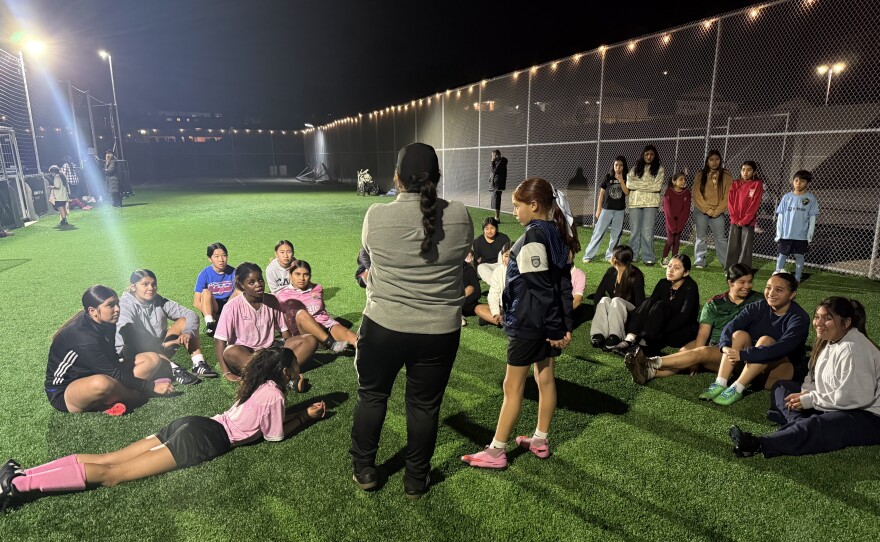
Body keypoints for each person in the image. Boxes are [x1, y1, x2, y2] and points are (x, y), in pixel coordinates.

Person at [2, 347, 327, 511]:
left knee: (108, 458)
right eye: (295, 369)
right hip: (204, 439)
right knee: (113, 474)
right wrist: (307, 416)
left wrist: (297, 408)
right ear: (285, 371)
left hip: (193, 423)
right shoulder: (274, 394)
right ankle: (18, 487)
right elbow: (275, 436)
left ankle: (21, 474)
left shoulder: (259, 384)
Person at [351, 142, 473, 500]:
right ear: (437, 177)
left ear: (396, 178)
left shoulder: (376, 214)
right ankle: (415, 480)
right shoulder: (461, 214)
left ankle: (365, 469)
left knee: (373, 396)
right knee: (424, 407)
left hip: (384, 327)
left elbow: (368, 261)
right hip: (439, 332)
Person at [461, 177, 578, 470]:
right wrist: (564, 325)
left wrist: (555, 329)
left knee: (512, 386)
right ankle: (539, 439)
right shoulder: (556, 233)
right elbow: (563, 285)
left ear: (534, 205)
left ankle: (496, 451)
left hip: (530, 324)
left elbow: (540, 290)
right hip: (544, 324)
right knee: (545, 379)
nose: (514, 212)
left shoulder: (535, 237)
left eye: (517, 206)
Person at [729, 297, 880, 458]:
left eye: (827, 318)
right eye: (817, 317)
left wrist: (810, 400)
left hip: (867, 415)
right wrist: (805, 393)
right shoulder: (829, 340)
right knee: (782, 387)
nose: (819, 323)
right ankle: (800, 426)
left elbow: (854, 398)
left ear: (847, 322)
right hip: (833, 403)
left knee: (819, 425)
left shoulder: (853, 349)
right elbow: (813, 376)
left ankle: (758, 444)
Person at [45, 286, 177, 416]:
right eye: (111, 305)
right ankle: (134, 397)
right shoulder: (82, 336)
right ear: (92, 311)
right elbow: (113, 373)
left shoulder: (109, 322)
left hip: (102, 373)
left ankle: (110, 400)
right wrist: (151, 386)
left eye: (117, 303)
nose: (118, 309)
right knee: (101, 383)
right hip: (66, 392)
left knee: (151, 359)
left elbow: (113, 362)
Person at [625, 264, 763, 384]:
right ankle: (649, 374)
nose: (747, 286)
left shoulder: (759, 300)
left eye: (750, 282)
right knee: (685, 353)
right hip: (713, 343)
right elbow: (703, 334)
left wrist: (697, 357)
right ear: (730, 282)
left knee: (701, 352)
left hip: (735, 350)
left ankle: (649, 361)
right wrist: (694, 360)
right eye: (742, 282)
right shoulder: (714, 303)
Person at [699, 272, 809, 406]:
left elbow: (781, 348)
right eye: (768, 287)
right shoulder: (758, 306)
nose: (771, 293)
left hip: (782, 369)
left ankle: (737, 388)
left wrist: (743, 354)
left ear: (792, 295)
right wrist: (725, 346)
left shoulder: (799, 318)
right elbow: (731, 326)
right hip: (753, 363)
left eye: (778, 290)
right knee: (739, 334)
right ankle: (720, 382)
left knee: (766, 341)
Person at [214, 262, 318, 383]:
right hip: (247, 355)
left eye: (260, 280)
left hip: (270, 351)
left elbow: (285, 333)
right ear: (242, 285)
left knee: (310, 340)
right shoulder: (231, 306)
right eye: (251, 282)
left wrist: (289, 355)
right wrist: (226, 372)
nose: (258, 285)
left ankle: (273, 376)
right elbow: (219, 340)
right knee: (230, 352)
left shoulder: (272, 300)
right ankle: (284, 375)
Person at [115, 269, 217, 385]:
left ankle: (198, 363)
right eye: (145, 284)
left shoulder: (158, 299)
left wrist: (188, 332)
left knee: (184, 321)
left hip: (159, 346)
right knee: (137, 335)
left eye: (154, 284)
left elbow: (191, 315)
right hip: (134, 353)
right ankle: (173, 369)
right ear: (133, 287)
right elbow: (130, 334)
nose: (151, 288)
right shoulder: (125, 305)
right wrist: (160, 345)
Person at [610, 254, 700, 356]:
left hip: (678, 329)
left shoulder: (690, 287)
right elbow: (649, 306)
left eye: (677, 268)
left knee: (660, 305)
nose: (670, 270)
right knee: (649, 301)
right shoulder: (663, 283)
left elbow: (684, 316)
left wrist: (660, 329)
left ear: (686, 273)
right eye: (669, 266)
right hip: (657, 326)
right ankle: (630, 339)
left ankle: (645, 345)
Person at [277, 259, 358, 345]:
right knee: (302, 314)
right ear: (290, 275)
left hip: (326, 325)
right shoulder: (282, 295)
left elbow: (322, 310)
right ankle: (330, 343)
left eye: (306, 275)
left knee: (352, 336)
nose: (302, 278)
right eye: (297, 274)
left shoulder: (317, 288)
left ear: (310, 276)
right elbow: (279, 320)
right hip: (305, 334)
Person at [589, 245, 645, 350]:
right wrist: (598, 315)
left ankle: (615, 336)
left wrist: (634, 327)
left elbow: (640, 304)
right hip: (614, 311)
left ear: (615, 259)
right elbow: (598, 294)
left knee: (616, 300)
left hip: (630, 313)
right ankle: (599, 334)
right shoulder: (611, 272)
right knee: (604, 299)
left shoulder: (636, 275)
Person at [582, 156, 630, 263]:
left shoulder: (626, 177)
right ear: (613, 166)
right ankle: (588, 255)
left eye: (621, 165)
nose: (618, 167)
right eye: (616, 165)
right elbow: (601, 194)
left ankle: (610, 256)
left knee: (616, 234)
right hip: (606, 209)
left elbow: (627, 192)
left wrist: (621, 180)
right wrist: (598, 209)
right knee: (598, 232)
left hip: (619, 211)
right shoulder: (608, 177)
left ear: (624, 166)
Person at [775, 170, 819, 282]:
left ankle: (797, 277)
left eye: (802, 181)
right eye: (796, 180)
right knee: (782, 255)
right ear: (793, 181)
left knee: (799, 256)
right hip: (786, 234)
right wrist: (779, 233)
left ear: (808, 183)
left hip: (801, 236)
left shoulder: (811, 199)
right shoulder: (787, 197)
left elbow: (813, 218)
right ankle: (777, 273)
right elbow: (780, 216)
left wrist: (810, 234)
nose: (798, 183)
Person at [691, 150, 732, 269]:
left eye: (717, 159)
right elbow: (696, 194)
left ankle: (726, 263)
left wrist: (718, 210)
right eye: (711, 159)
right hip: (701, 211)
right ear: (707, 161)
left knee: (720, 238)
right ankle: (699, 260)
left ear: (720, 160)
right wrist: (707, 210)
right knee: (701, 236)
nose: (714, 162)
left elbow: (728, 195)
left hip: (718, 212)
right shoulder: (700, 174)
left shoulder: (726, 175)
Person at [626, 145, 665, 265]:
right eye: (647, 154)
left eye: (652, 154)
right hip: (635, 203)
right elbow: (629, 184)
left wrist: (638, 185)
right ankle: (632, 256)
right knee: (634, 231)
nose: (649, 156)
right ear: (643, 155)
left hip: (651, 203)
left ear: (655, 156)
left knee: (647, 231)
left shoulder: (659, 169)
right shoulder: (635, 169)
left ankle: (648, 257)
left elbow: (657, 187)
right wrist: (648, 186)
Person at [726, 161, 763, 270]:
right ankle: (730, 268)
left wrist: (745, 220)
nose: (745, 172)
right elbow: (730, 202)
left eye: (749, 170)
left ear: (754, 172)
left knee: (745, 247)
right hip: (735, 220)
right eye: (743, 170)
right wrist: (735, 218)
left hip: (748, 221)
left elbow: (754, 204)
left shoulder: (757, 184)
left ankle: (743, 269)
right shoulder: (735, 183)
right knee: (733, 245)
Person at [194, 242, 236, 336]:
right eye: (216, 256)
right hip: (213, 307)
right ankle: (210, 324)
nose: (221, 260)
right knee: (206, 292)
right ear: (210, 259)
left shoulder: (234, 272)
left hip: (229, 305)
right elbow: (196, 302)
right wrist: (212, 315)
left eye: (224, 255)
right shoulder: (204, 274)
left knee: (240, 290)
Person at [475, 242, 511, 327]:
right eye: (506, 256)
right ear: (502, 257)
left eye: (512, 255)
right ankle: (504, 322)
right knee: (479, 309)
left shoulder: (524, 270)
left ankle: (502, 322)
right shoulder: (498, 271)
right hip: (504, 308)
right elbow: (493, 294)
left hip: (521, 309)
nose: (509, 259)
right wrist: (495, 313)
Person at [661, 172, 690, 267]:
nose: (683, 181)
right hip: (670, 221)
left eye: (684, 179)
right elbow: (667, 211)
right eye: (681, 179)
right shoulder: (668, 192)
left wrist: (680, 225)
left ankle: (674, 260)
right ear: (674, 181)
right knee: (670, 240)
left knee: (677, 241)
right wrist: (673, 226)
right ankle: (664, 258)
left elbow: (686, 211)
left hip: (679, 222)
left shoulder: (687, 193)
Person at [472, 216, 511, 283]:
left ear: (496, 228)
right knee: (480, 267)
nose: (489, 231)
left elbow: (510, 254)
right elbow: (476, 260)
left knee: (503, 252)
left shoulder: (503, 238)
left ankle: (498, 285)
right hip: (487, 268)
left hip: (501, 265)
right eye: (487, 228)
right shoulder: (478, 241)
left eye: (492, 228)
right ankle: (498, 284)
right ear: (483, 229)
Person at [461, 253, 482, 326]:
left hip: (467, 304)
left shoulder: (469, 270)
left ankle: (457, 314)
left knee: (470, 288)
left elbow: (477, 293)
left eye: (471, 256)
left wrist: (461, 303)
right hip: (454, 300)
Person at [489, 150, 507, 222]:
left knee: (497, 200)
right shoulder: (497, 162)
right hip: (495, 184)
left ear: (497, 155)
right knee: (495, 199)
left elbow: (495, 171)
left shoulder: (502, 162)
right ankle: (496, 217)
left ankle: (497, 218)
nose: (492, 157)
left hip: (498, 184)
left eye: (493, 155)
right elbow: (493, 172)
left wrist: (492, 162)